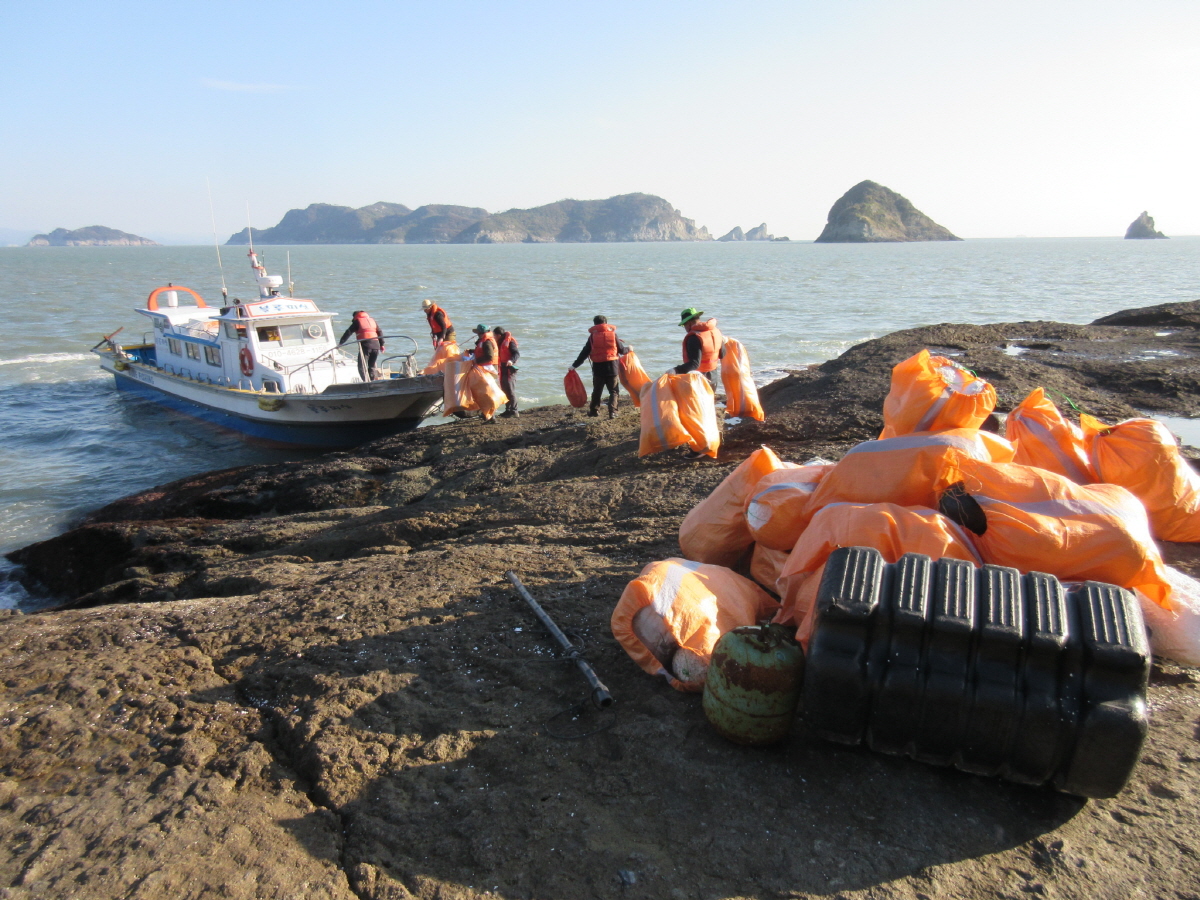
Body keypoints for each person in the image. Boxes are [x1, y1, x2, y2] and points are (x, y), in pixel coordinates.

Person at [572, 315, 630, 419]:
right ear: (606, 323)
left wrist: (574, 365)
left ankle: (594, 411)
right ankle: (613, 412)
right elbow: (621, 350)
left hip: (598, 367)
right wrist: (629, 349)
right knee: (614, 391)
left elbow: (584, 353)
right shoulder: (613, 335)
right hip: (612, 367)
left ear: (595, 324)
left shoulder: (592, 337)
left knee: (597, 390)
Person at [674, 307, 725, 386]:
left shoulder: (693, 337)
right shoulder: (715, 332)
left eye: (684, 325)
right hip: (713, 379)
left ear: (689, 323)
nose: (685, 328)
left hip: (699, 381)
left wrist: (675, 370)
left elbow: (694, 364)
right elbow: (722, 354)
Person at [339, 310, 385, 381]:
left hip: (366, 346)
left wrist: (341, 343)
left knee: (361, 366)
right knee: (372, 366)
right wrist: (382, 345)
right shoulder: (372, 321)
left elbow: (348, 332)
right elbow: (380, 332)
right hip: (376, 346)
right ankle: (372, 381)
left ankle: (366, 382)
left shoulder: (357, 321)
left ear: (355, 316)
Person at [493, 326, 521, 417]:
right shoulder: (499, 342)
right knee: (504, 388)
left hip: (510, 368)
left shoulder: (510, 342)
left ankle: (514, 411)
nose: (493, 337)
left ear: (498, 335)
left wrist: (511, 361)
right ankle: (508, 410)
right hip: (503, 367)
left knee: (510, 389)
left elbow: (516, 353)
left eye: (494, 335)